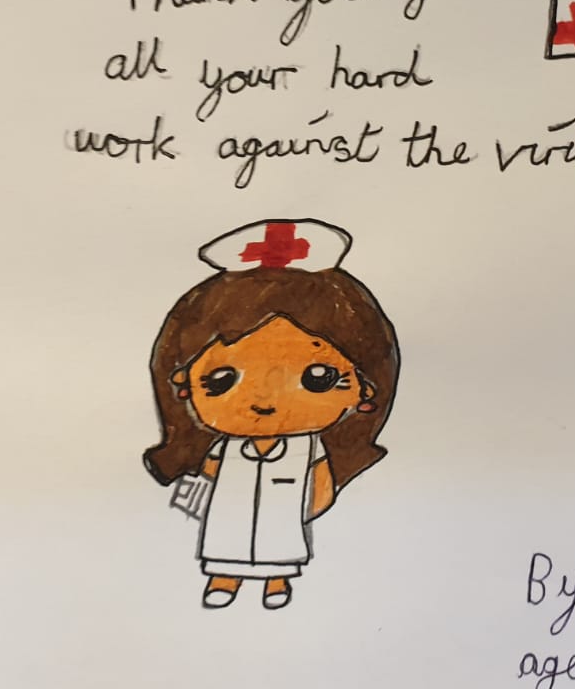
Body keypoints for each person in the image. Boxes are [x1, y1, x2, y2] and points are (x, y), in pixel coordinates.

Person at [143, 219, 399, 610]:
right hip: (231, 511)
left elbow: (321, 481)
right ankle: (224, 577)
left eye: (318, 378)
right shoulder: (225, 449)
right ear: (181, 383)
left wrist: (312, 505)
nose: (264, 399)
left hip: (284, 513)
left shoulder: (307, 448)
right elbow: (210, 471)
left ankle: (276, 581)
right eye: (221, 380)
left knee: (280, 544)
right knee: (225, 541)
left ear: (365, 387)